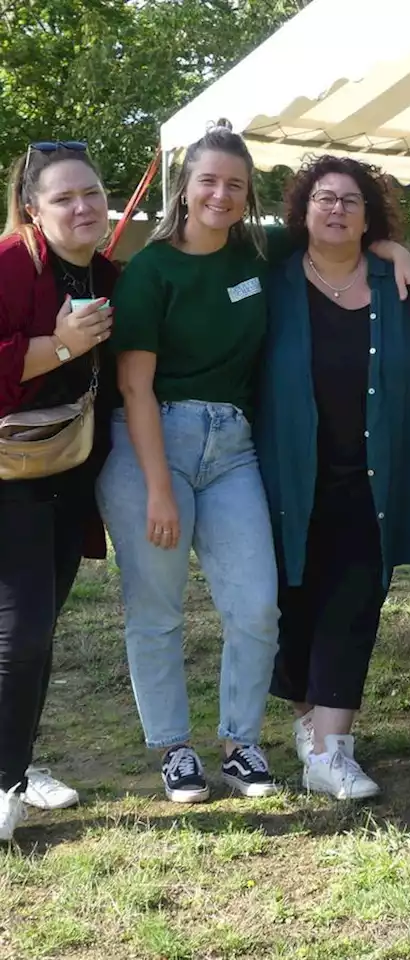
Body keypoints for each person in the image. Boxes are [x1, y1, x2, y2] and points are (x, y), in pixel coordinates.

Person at [98, 126, 410, 805]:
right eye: (208, 181)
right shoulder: (152, 270)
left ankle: (240, 742)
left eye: (235, 185)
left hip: (232, 446)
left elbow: (341, 235)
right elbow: (133, 386)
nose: (220, 194)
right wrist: (158, 487)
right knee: (155, 609)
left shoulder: (257, 250)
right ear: (184, 188)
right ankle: (175, 749)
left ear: (249, 200)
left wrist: (395, 249)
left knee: (255, 604)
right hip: (153, 438)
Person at [255, 156, 410, 799]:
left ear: (370, 218)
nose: (336, 209)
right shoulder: (273, 281)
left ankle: (330, 748)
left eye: (350, 201)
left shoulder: (400, 289)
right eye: (323, 199)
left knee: (355, 600)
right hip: (288, 478)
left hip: (376, 478)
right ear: (302, 212)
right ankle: (312, 723)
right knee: (293, 603)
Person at [0, 142, 117, 839]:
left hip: (71, 475)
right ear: (32, 209)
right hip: (9, 475)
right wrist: (63, 344)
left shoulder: (107, 270)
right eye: (64, 198)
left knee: (35, 633)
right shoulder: (12, 265)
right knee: (21, 631)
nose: (83, 207)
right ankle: (7, 781)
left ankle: (16, 761)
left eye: (92, 194)